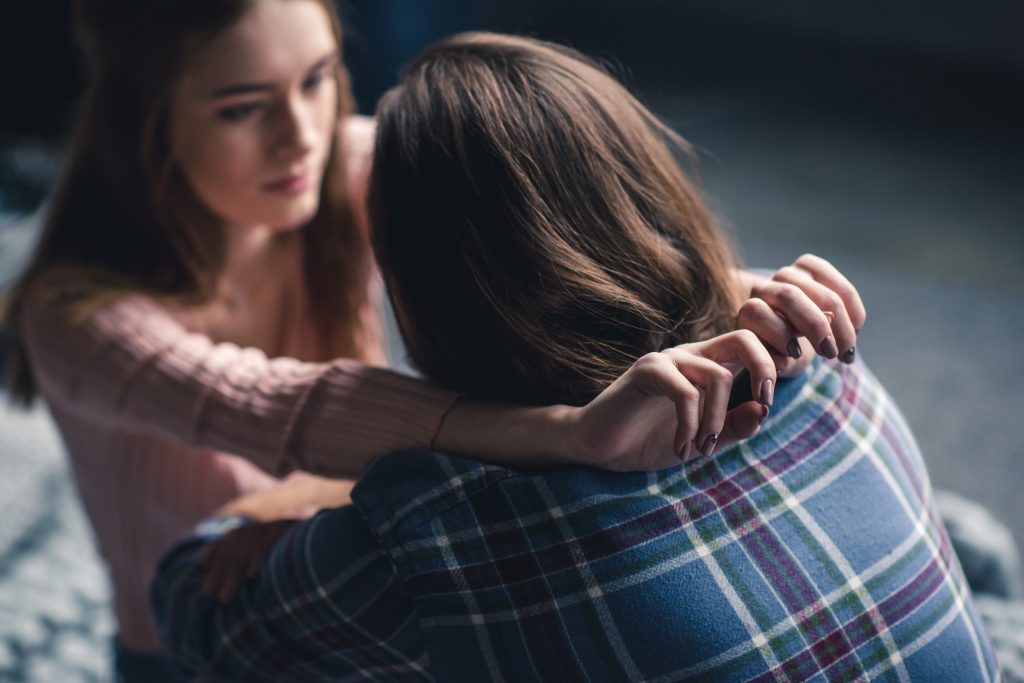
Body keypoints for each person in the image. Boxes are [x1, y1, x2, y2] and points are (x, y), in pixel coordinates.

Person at [0, 2, 865, 680]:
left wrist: (741, 293)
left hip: (355, 549)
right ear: (141, 121)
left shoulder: (333, 168)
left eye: (317, 78)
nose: (299, 135)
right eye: (241, 108)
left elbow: (551, 217)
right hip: (202, 643)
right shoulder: (74, 315)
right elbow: (268, 403)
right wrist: (567, 434)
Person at [151, 32, 999, 681]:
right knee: (963, 538)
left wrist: (306, 497)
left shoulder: (429, 537)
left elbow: (186, 601)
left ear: (426, 287)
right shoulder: (832, 369)